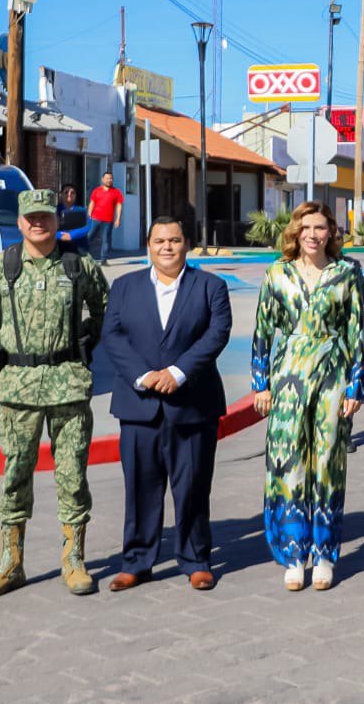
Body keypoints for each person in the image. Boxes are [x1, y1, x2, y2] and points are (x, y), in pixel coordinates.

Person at [0, 189, 109, 600]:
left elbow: (103, 308)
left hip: (68, 384)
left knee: (72, 475)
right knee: (15, 475)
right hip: (19, 388)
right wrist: (12, 346)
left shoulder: (79, 265)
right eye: (30, 217)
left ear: (56, 220)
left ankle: (74, 561)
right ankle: (10, 563)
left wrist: (82, 345)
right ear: (19, 222)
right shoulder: (1, 266)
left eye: (46, 216)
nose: (38, 223)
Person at [102, 217, 232, 593]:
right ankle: (137, 562)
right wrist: (143, 376)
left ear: (186, 244)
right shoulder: (124, 287)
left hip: (192, 403)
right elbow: (112, 336)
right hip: (139, 403)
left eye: (175, 240)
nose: (167, 247)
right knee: (140, 487)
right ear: (148, 246)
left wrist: (177, 372)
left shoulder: (210, 286)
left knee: (192, 486)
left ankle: (195, 559)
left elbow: (216, 334)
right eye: (160, 241)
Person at [252, 201, 364, 592]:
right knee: (288, 465)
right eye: (306, 228)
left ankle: (323, 554)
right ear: (295, 233)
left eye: (321, 228)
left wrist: (356, 386)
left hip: (332, 372)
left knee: (328, 463)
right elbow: (263, 331)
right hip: (287, 376)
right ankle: (293, 553)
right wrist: (260, 384)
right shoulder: (277, 273)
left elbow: (356, 331)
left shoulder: (348, 272)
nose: (314, 235)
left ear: (331, 232)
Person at [87, 170, 124, 264]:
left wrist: (118, 219)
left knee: (105, 240)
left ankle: (103, 259)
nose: (109, 180)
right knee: (88, 237)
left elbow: (119, 206)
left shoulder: (117, 192)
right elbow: (92, 203)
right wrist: (89, 214)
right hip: (95, 218)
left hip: (108, 220)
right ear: (103, 179)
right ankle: (83, 255)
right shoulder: (96, 191)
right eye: (107, 178)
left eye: (111, 178)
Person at [57, 183, 91, 254]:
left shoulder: (81, 210)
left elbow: (88, 226)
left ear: (75, 195)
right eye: (66, 192)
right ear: (61, 194)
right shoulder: (55, 210)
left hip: (79, 248)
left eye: (72, 192)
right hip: (59, 248)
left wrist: (72, 235)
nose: (69, 194)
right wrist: (60, 235)